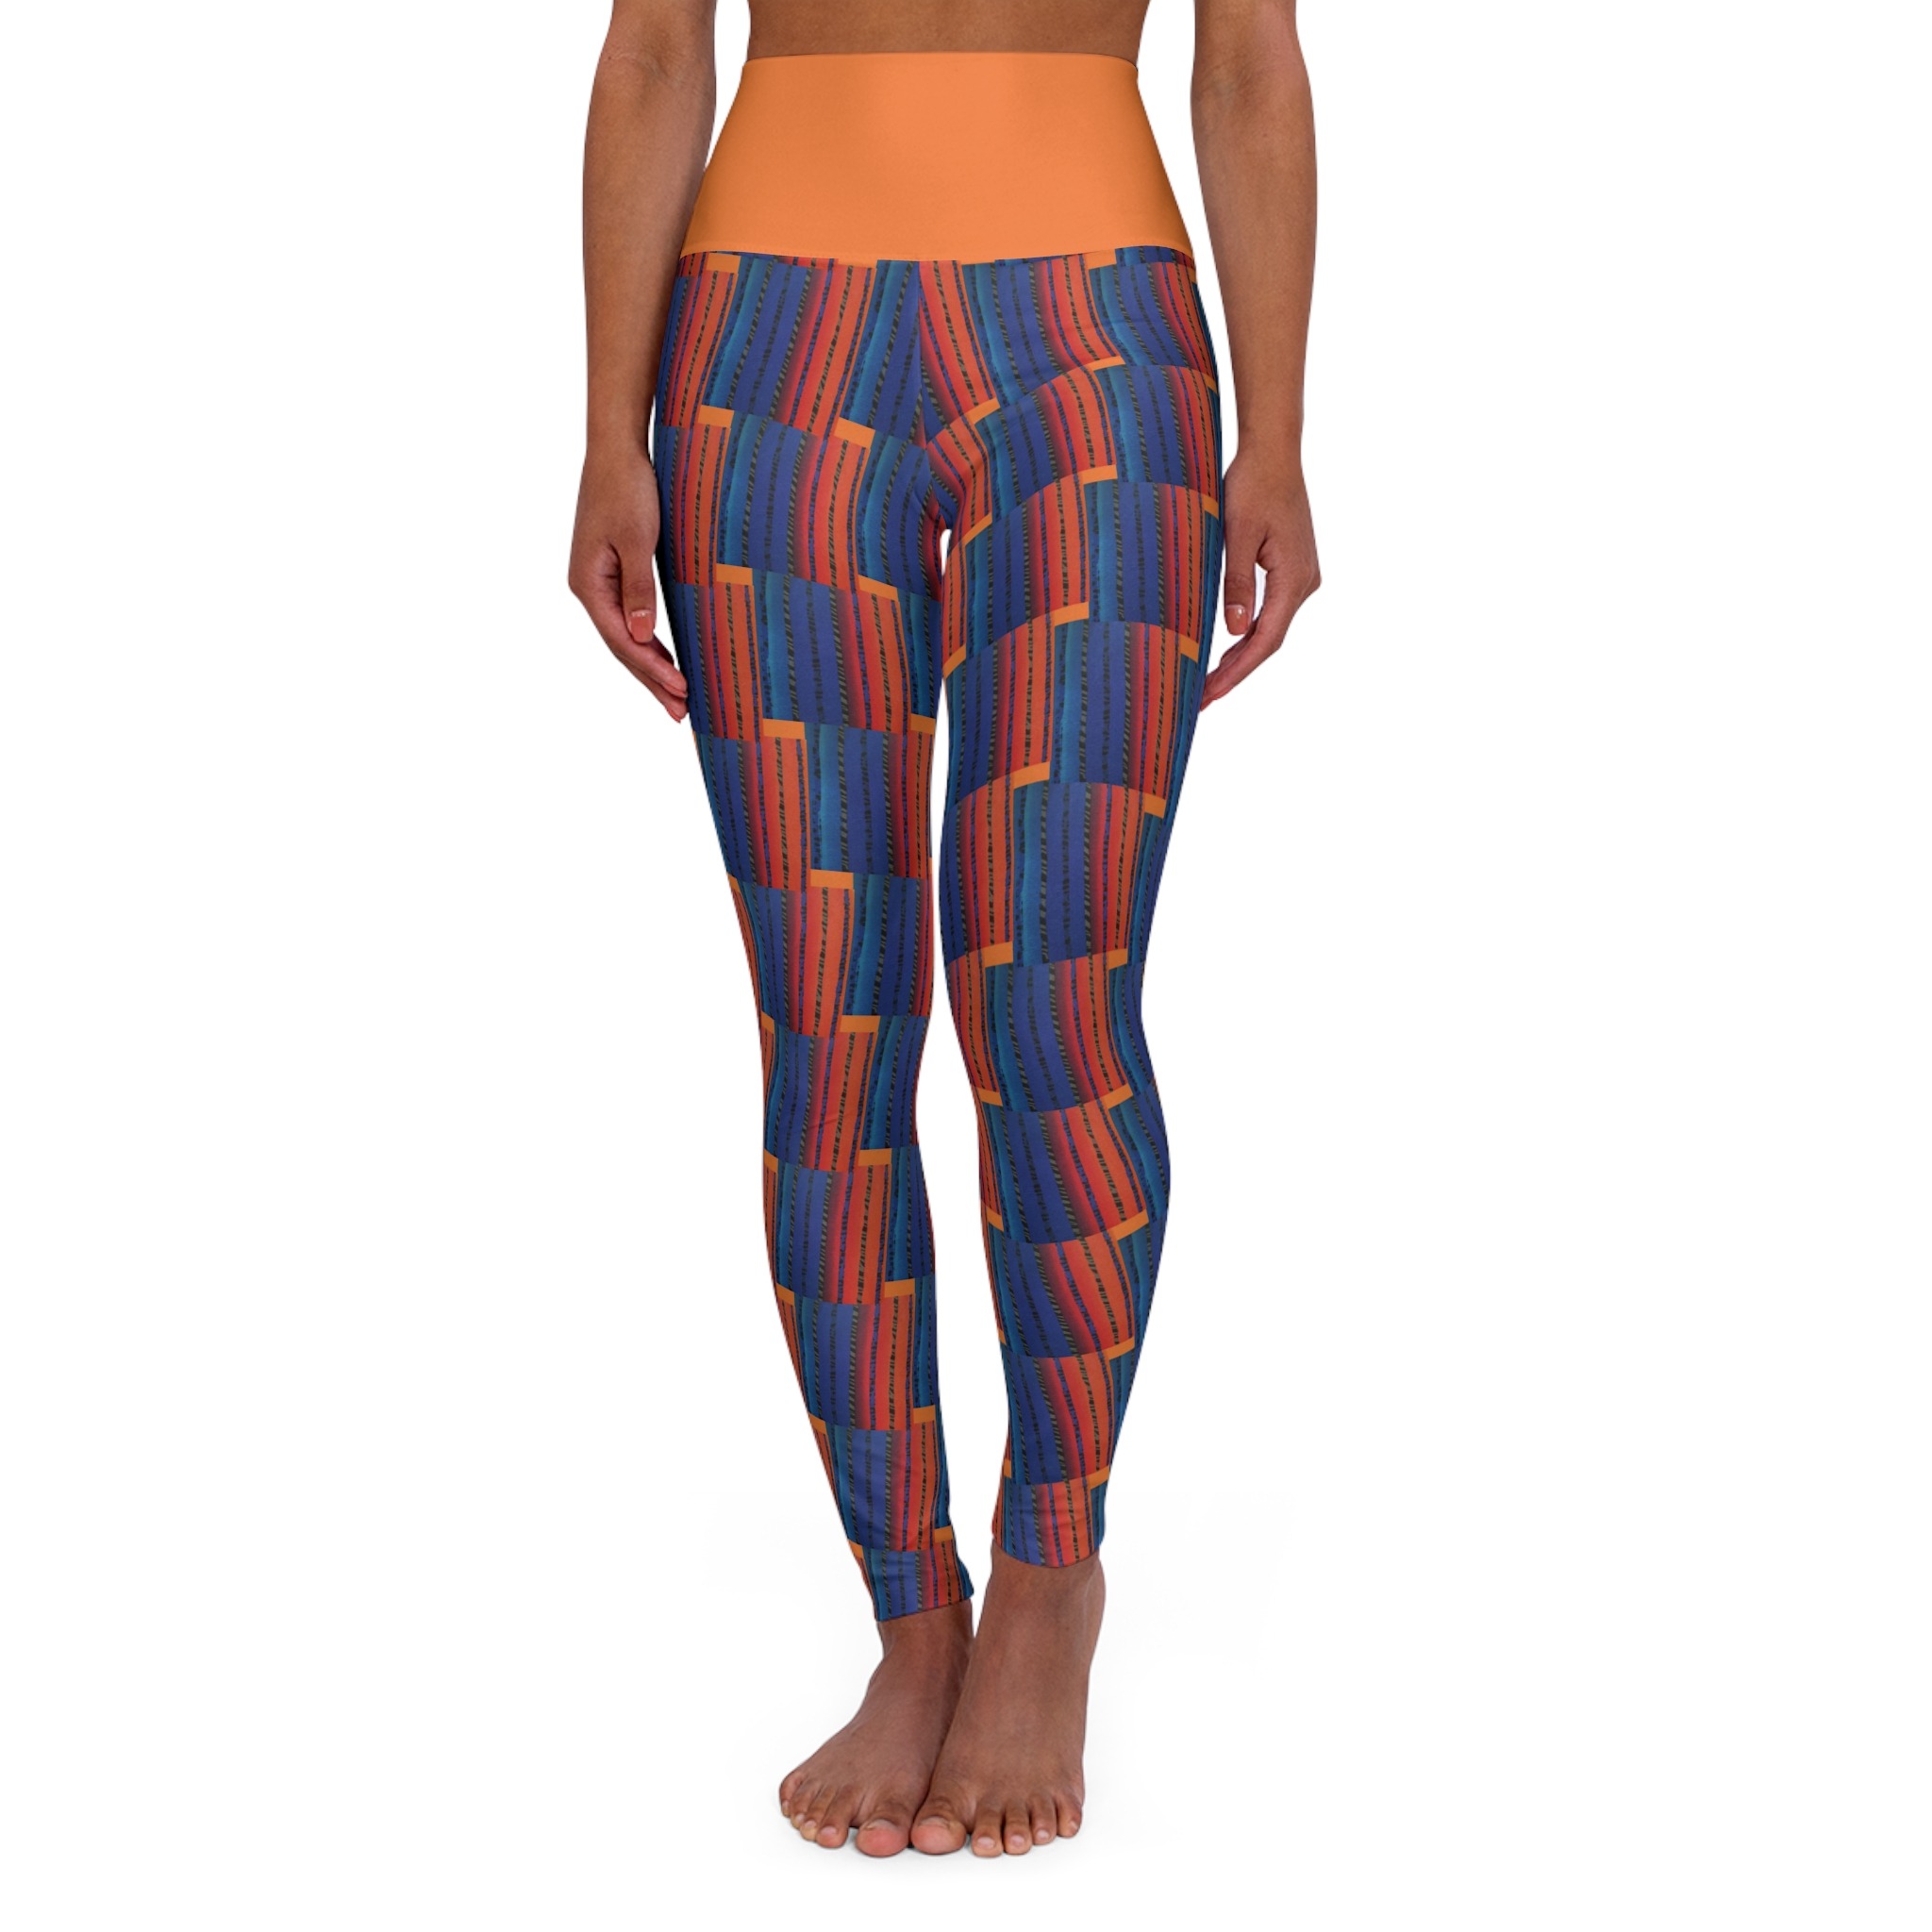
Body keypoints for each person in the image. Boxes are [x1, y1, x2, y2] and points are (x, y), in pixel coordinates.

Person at [567, 0, 1320, 1859]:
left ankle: (1049, 1576)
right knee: (828, 1021)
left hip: (1099, 351)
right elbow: (654, 47)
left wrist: (1280, 435)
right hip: (763, 350)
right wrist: (602, 428)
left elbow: (1244, 58)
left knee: (1054, 995)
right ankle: (913, 1615)